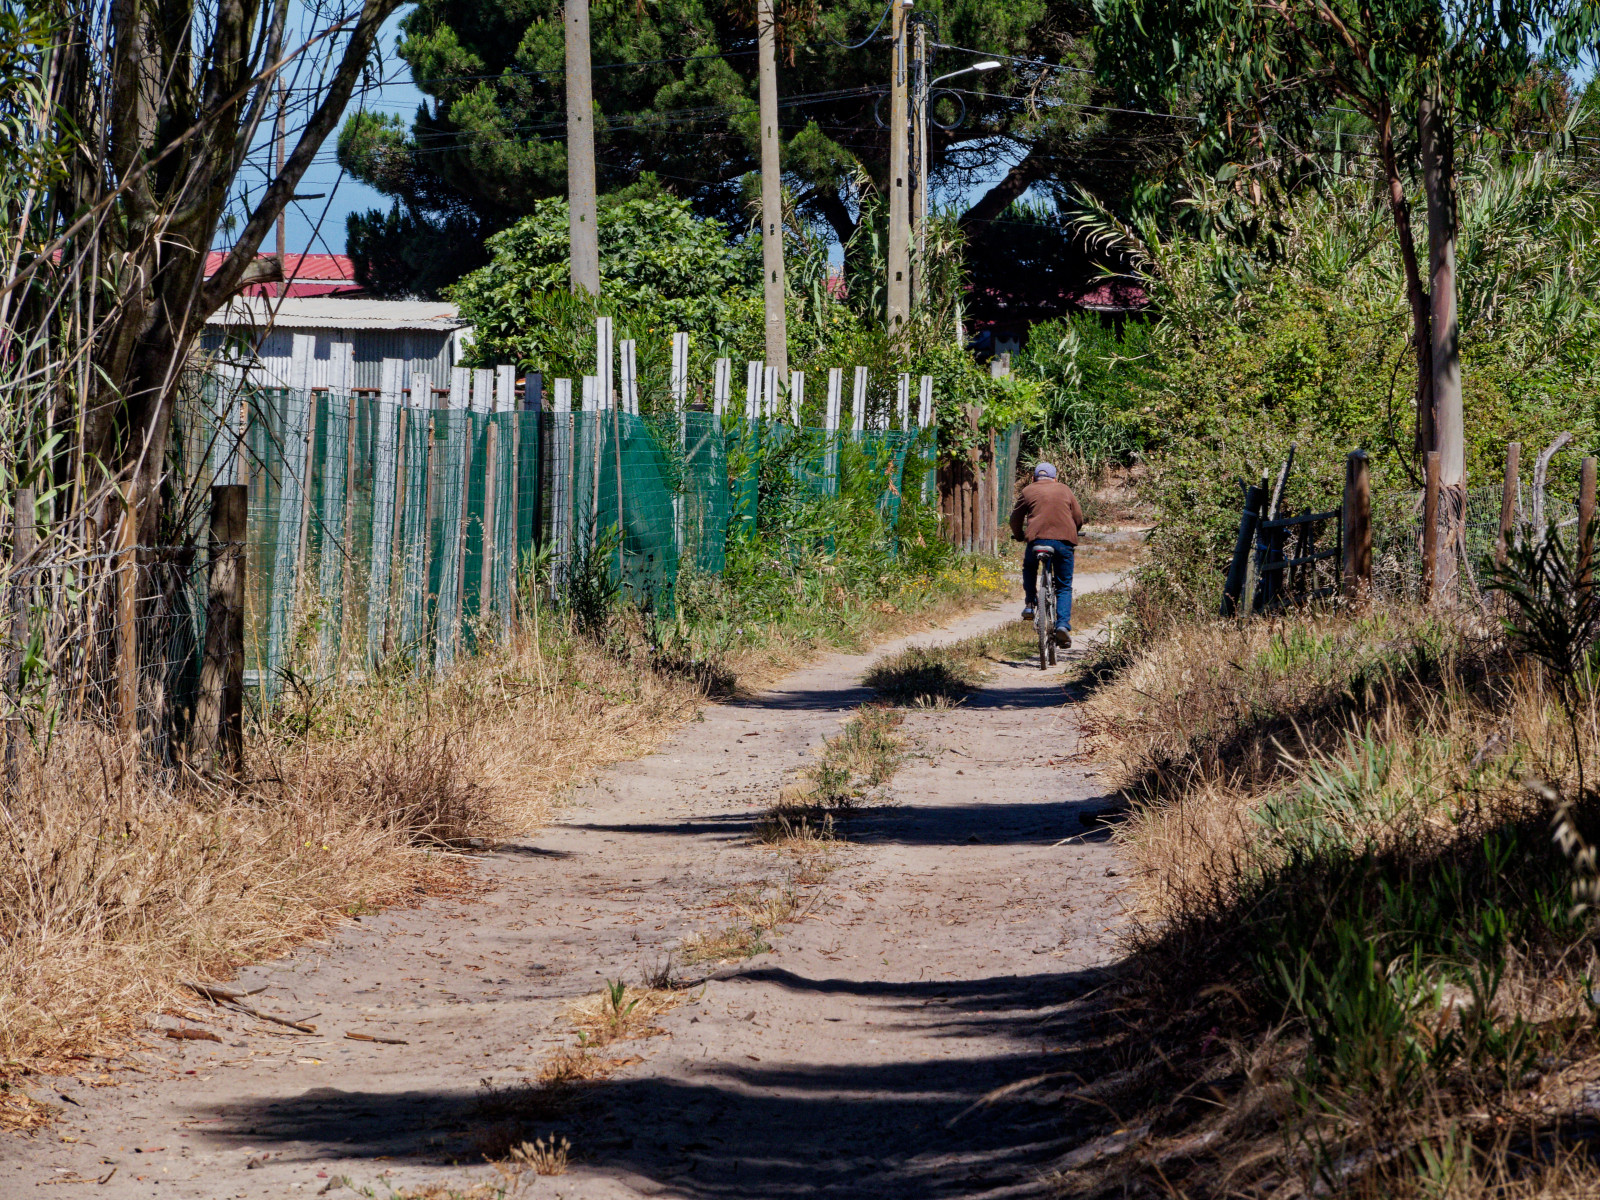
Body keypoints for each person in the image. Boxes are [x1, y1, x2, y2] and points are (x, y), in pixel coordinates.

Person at [1008, 462, 1085, 648]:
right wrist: (1075, 530)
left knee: (1029, 566)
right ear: (1055, 479)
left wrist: (1019, 536)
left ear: (1034, 478)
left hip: (1037, 541)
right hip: (1063, 543)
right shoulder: (1065, 490)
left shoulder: (1028, 490)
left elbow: (1015, 519)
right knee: (1064, 586)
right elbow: (1078, 517)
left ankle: (1030, 602)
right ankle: (1063, 625)